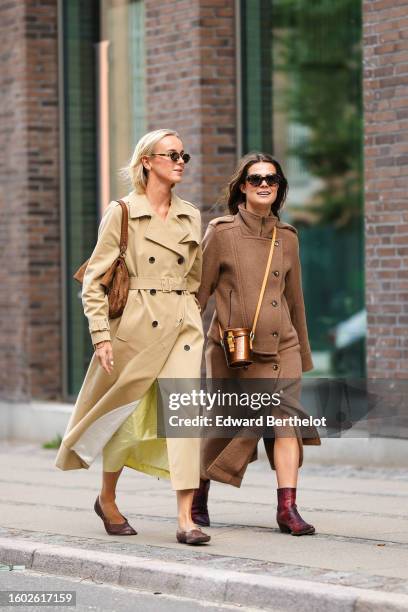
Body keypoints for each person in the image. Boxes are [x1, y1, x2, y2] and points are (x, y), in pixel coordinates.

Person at [56, 128, 210, 546]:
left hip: (181, 322)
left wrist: (191, 313)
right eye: (171, 154)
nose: (180, 161)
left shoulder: (191, 215)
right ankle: (107, 498)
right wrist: (101, 336)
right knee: (124, 414)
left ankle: (185, 519)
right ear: (147, 161)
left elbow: (194, 278)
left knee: (184, 417)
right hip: (136, 326)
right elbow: (93, 281)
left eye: (184, 154)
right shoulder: (122, 212)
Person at [192, 152, 321, 536]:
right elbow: (199, 293)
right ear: (242, 187)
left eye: (272, 179)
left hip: (284, 349)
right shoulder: (221, 232)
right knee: (224, 424)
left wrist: (303, 354)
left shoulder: (288, 237)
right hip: (235, 353)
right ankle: (198, 496)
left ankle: (287, 508)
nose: (264, 184)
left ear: (279, 188)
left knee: (285, 425)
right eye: (255, 179)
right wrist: (182, 343)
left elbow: (295, 299)